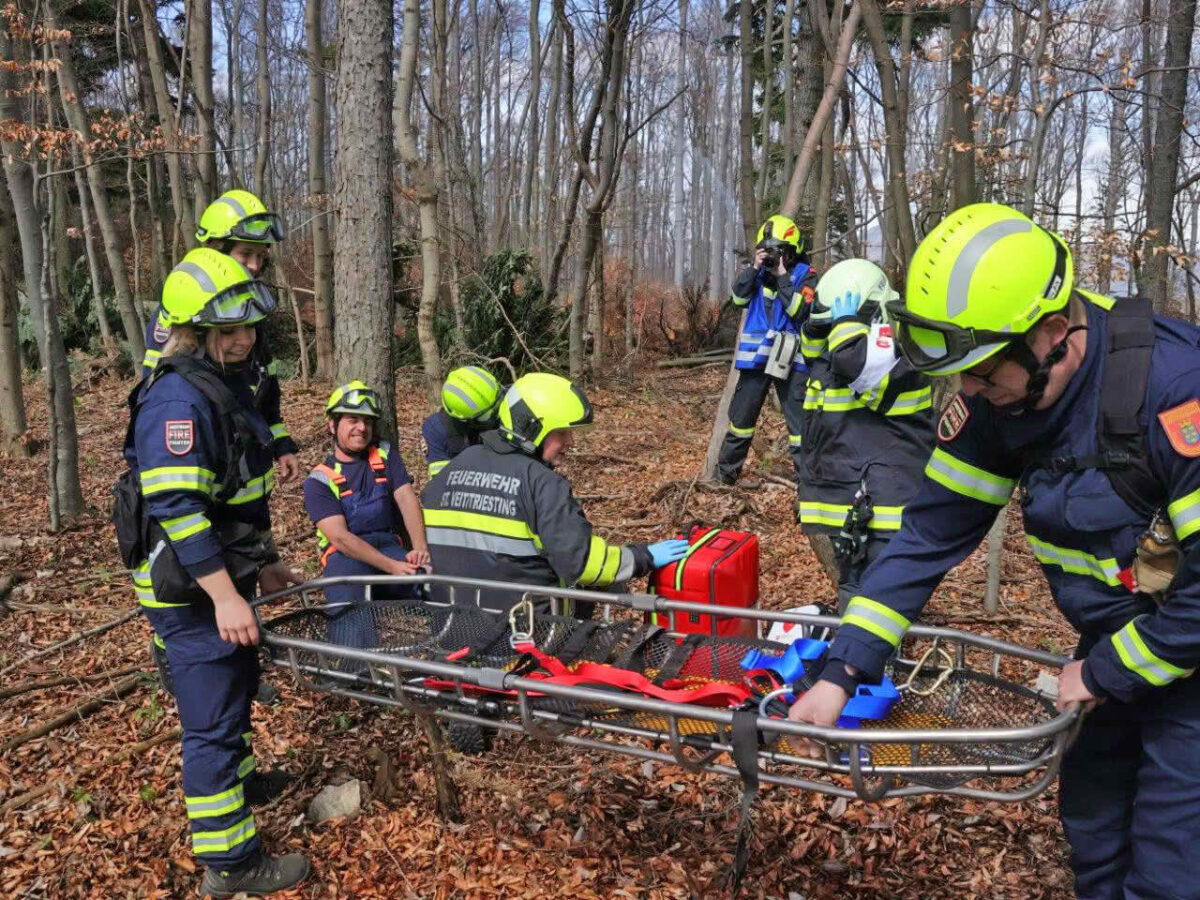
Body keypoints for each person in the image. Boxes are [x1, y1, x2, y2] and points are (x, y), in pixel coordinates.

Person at [787, 202, 1200, 900]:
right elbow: (927, 537)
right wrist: (842, 672)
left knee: (1172, 865)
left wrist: (1106, 671)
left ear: (1052, 335)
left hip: (1180, 653)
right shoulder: (995, 397)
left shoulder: (1176, 392)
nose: (969, 392)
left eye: (981, 373)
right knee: (1096, 829)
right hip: (1119, 641)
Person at [124, 247, 309, 897]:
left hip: (221, 576)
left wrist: (269, 563)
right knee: (211, 723)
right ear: (191, 332)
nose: (243, 340)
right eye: (226, 331)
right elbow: (179, 510)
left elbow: (239, 496)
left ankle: (243, 782)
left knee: (236, 687)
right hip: (191, 589)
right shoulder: (177, 401)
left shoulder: (224, 384)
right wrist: (227, 597)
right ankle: (231, 864)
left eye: (247, 327)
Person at [421, 372, 690, 614]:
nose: (570, 442)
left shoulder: (451, 470)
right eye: (561, 432)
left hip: (451, 627)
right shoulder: (542, 483)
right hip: (526, 634)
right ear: (532, 429)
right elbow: (583, 564)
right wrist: (644, 556)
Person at [797, 259, 934, 610]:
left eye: (841, 323)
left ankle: (873, 645)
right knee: (853, 589)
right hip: (850, 507)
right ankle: (853, 643)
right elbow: (818, 356)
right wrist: (818, 325)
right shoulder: (836, 356)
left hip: (886, 508)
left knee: (880, 599)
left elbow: (859, 367)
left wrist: (845, 327)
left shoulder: (900, 360)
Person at [141, 189, 299, 485]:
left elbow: (265, 388)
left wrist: (281, 443)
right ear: (216, 248)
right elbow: (157, 395)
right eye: (245, 254)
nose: (254, 266)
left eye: (260, 256)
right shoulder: (183, 310)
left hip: (249, 479)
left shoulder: (251, 308)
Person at [304, 381, 431, 647]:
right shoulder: (319, 480)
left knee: (436, 583)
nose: (362, 428)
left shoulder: (385, 455)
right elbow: (341, 539)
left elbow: (406, 497)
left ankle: (453, 651)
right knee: (348, 606)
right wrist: (392, 567)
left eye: (367, 421)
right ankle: (354, 667)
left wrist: (420, 548)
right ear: (332, 425)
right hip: (346, 558)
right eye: (352, 420)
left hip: (389, 548)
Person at [717, 215, 818, 508]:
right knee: (740, 423)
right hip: (756, 360)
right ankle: (723, 482)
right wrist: (755, 267)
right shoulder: (757, 273)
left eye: (780, 250)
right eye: (769, 249)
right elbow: (738, 299)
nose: (775, 255)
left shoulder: (807, 275)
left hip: (792, 361)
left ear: (793, 250)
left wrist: (783, 276)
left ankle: (807, 495)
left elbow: (800, 312)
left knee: (800, 430)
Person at [422, 365, 503, 478]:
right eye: (486, 416)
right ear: (464, 419)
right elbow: (442, 481)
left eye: (498, 403)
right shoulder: (438, 429)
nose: (498, 414)